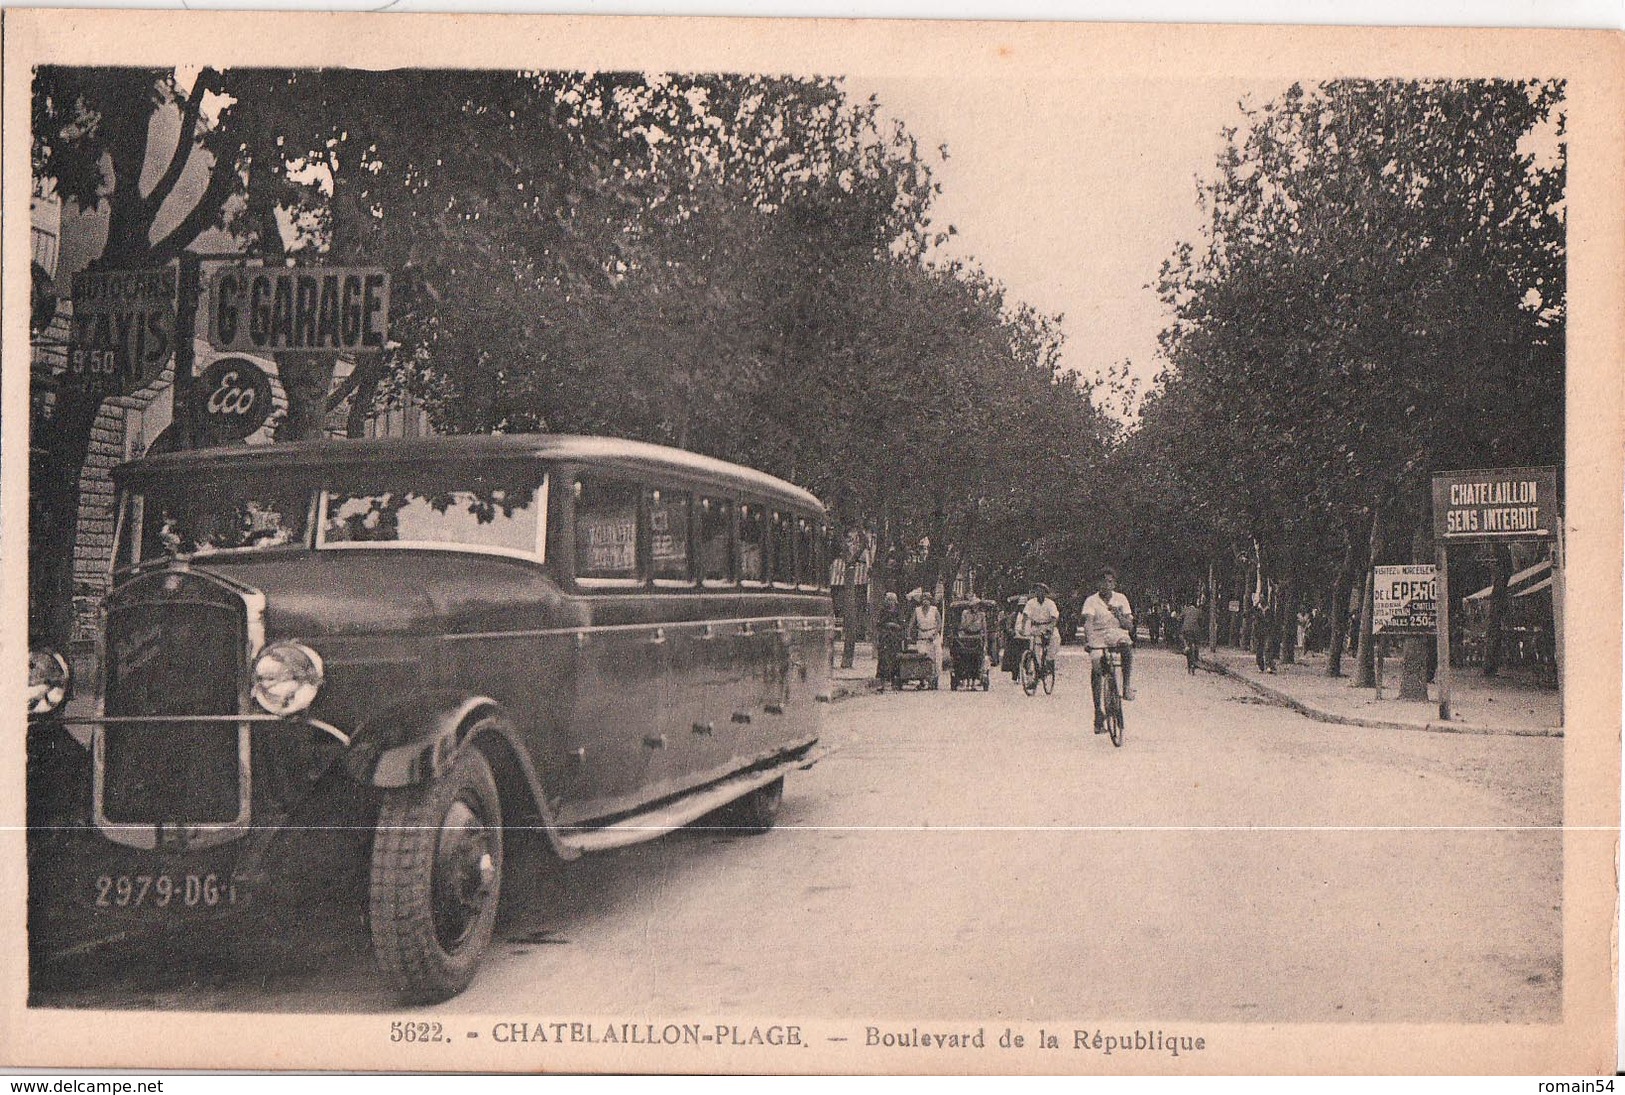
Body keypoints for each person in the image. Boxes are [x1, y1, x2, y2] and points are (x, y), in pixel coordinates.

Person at [1081, 567, 1135, 731]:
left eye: (1110, 581)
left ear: (1114, 584)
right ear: (1098, 584)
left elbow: (1129, 626)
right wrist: (1089, 641)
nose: (1106, 585)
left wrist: (1118, 615)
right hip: (1097, 634)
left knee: (1126, 645)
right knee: (1097, 669)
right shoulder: (1091, 601)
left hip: (1115, 632)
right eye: (1103, 581)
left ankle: (1126, 686)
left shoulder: (1121, 599)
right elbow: (1088, 622)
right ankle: (1098, 712)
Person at [1017, 582, 1061, 676]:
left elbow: (1054, 617)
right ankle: (1035, 670)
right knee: (1035, 649)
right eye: (1037, 591)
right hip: (1035, 627)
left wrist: (1050, 628)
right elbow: (1025, 615)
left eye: (1041, 591)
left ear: (1045, 593)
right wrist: (1022, 628)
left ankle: (1049, 662)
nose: (1039, 593)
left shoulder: (1050, 603)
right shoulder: (1031, 603)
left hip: (1048, 627)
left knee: (1055, 641)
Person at [910, 591, 944, 686]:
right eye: (924, 600)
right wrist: (909, 634)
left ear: (930, 601)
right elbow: (912, 623)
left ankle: (934, 678)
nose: (926, 602)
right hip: (922, 636)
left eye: (928, 600)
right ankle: (922, 679)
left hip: (933, 636)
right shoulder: (917, 610)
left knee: (936, 656)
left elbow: (939, 623)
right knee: (922, 656)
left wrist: (935, 634)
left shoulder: (934, 610)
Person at [875, 591, 905, 686]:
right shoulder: (883, 610)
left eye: (892, 600)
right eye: (888, 600)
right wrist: (887, 625)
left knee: (895, 656)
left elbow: (902, 623)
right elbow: (879, 623)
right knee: (884, 657)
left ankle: (895, 677)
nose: (890, 602)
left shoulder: (898, 611)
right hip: (885, 636)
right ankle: (883, 677)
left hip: (895, 636)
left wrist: (895, 625)